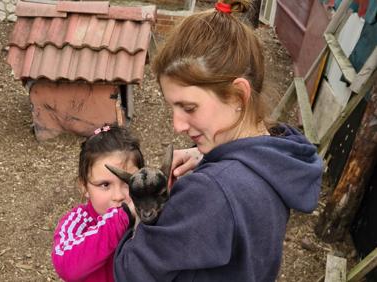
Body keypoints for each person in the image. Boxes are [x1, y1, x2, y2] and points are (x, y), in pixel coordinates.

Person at [114, 0, 323, 281]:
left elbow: (131, 272)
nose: (177, 125)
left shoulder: (211, 192)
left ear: (238, 96)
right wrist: (213, 159)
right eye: (172, 108)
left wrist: (142, 212)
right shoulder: (280, 160)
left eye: (189, 108)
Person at [51, 124, 144, 282]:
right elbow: (65, 265)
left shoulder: (149, 218)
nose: (118, 196)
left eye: (128, 182)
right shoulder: (77, 223)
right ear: (84, 187)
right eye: (105, 185)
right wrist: (122, 218)